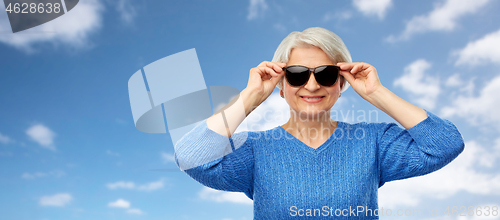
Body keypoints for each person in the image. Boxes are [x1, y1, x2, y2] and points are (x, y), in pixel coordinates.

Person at [174, 27, 464, 219]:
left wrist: (376, 93)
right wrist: (250, 97)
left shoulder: (373, 142)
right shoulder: (255, 150)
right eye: (298, 74)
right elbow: (190, 158)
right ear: (280, 83)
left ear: (341, 82)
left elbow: (446, 145)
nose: (311, 86)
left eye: (325, 74)